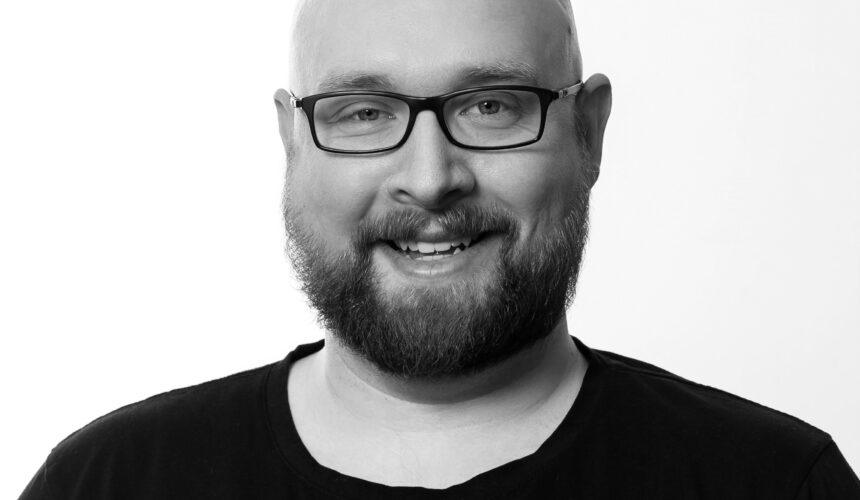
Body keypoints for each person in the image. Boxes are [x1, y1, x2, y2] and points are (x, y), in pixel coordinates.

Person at [18, 0, 860, 498]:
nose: (429, 179)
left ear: (588, 134)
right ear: (291, 142)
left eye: (492, 106)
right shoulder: (106, 482)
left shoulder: (777, 483)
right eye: (364, 113)